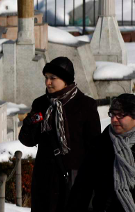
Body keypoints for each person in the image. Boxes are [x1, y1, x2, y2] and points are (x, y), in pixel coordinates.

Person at [19, 57, 101, 212]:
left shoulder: (85, 105)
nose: (47, 82)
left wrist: (90, 179)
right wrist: (29, 123)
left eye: (52, 78)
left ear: (66, 80)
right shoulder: (41, 103)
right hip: (45, 178)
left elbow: (94, 147)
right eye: (46, 78)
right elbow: (28, 140)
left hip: (74, 179)